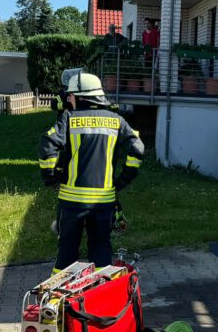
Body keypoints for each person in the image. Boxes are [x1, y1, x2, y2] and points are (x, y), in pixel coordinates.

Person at [38, 70, 143, 271]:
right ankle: (102, 297)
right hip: (104, 202)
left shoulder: (69, 118)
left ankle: (59, 299)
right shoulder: (116, 120)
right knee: (101, 248)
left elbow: (47, 145)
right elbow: (138, 149)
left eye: (70, 96)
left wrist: (51, 177)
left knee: (67, 250)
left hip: (71, 201)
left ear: (81, 96)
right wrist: (122, 180)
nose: (69, 100)